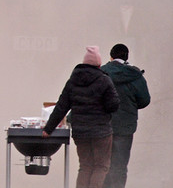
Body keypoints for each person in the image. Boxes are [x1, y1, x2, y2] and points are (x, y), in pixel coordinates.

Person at [43, 46, 121, 188]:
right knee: (101, 166)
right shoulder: (104, 80)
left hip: (80, 132)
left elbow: (61, 106)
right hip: (101, 133)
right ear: (98, 64)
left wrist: (48, 129)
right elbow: (113, 106)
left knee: (85, 167)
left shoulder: (73, 81)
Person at [101, 44, 151, 188]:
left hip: (104, 127)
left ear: (110, 56)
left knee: (103, 165)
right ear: (126, 57)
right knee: (120, 166)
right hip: (125, 128)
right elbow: (144, 100)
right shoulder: (135, 75)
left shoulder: (101, 73)